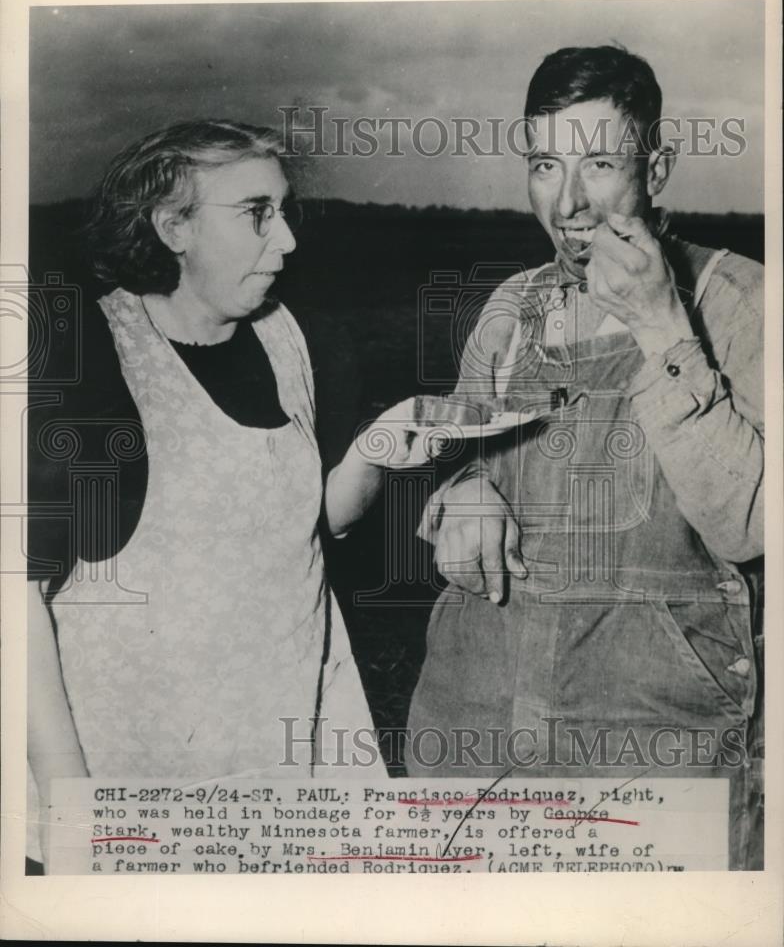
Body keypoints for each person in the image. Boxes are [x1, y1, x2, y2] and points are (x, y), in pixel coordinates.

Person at [26, 119, 423, 872]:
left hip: (290, 753)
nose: (289, 242)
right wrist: (67, 803)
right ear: (171, 225)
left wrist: (379, 448)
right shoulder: (86, 360)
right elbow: (18, 598)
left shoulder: (291, 339)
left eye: (284, 210)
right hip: (139, 783)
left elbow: (316, 522)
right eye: (255, 213)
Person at [406, 46, 764, 869]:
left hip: (656, 758)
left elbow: (749, 524)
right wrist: (461, 483)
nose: (567, 203)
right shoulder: (513, 307)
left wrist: (658, 325)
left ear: (658, 166)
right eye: (543, 165)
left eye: (599, 163)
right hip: (484, 737)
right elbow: (456, 454)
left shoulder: (744, 305)